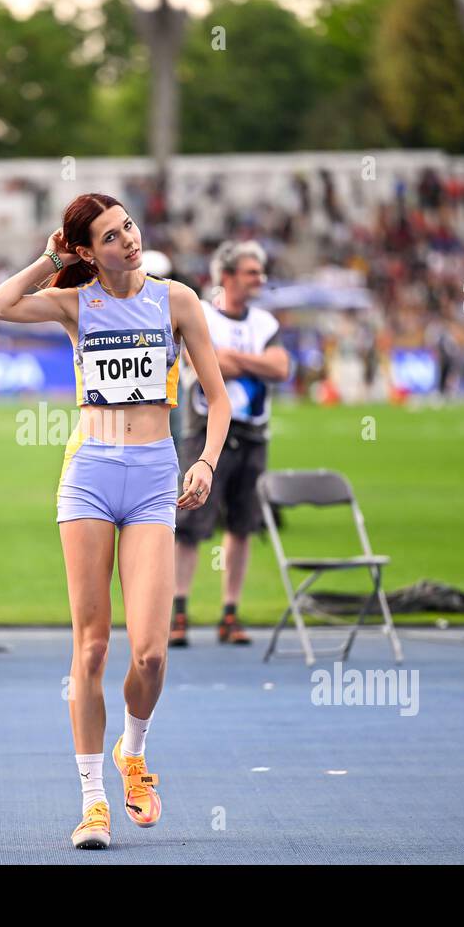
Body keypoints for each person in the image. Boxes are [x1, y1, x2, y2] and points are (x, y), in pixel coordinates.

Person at [0, 194, 230, 850]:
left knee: (150, 650)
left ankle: (133, 750)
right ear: (88, 250)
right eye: (112, 236)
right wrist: (49, 261)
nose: (129, 239)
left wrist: (204, 461)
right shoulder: (77, 300)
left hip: (153, 477)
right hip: (90, 473)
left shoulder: (177, 301)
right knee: (91, 646)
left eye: (129, 226)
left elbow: (219, 396)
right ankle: (93, 802)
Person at [171, 240, 290, 647]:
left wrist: (235, 360)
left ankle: (229, 612)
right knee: (189, 525)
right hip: (205, 431)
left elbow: (281, 367)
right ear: (227, 276)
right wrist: (250, 362)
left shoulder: (264, 322)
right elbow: (200, 360)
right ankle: (177, 611)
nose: (260, 279)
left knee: (242, 525)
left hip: (252, 432)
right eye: (251, 272)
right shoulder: (200, 313)